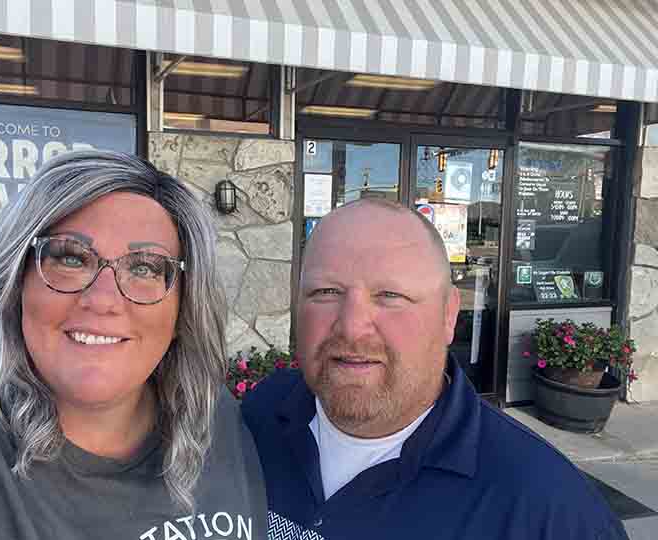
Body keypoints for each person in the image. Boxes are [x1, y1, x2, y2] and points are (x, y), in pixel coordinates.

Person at [242, 198, 628, 540]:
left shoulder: (550, 513)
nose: (351, 325)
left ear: (448, 315)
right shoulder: (256, 419)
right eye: (326, 292)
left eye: (390, 295)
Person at [0, 151, 267, 540]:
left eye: (144, 267)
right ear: (15, 284)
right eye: (70, 258)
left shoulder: (214, 418)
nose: (103, 300)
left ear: (184, 309)